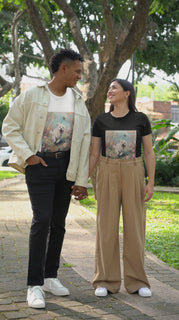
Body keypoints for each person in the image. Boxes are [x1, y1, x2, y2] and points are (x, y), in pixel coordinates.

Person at [2, 48, 91, 309]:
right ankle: (34, 285)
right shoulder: (31, 96)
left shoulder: (78, 101)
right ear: (62, 69)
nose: (79, 76)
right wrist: (28, 155)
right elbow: (10, 126)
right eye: (76, 71)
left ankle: (51, 276)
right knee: (41, 220)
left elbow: (84, 140)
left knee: (58, 223)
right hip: (39, 164)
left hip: (67, 166)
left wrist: (82, 179)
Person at [89, 79, 155, 298]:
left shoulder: (141, 119)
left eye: (114, 87)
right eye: (108, 88)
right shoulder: (101, 120)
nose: (109, 91)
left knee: (135, 227)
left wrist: (150, 181)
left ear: (127, 93)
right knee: (105, 227)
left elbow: (148, 152)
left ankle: (137, 282)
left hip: (134, 171)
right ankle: (105, 281)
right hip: (107, 171)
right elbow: (94, 154)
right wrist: (86, 178)